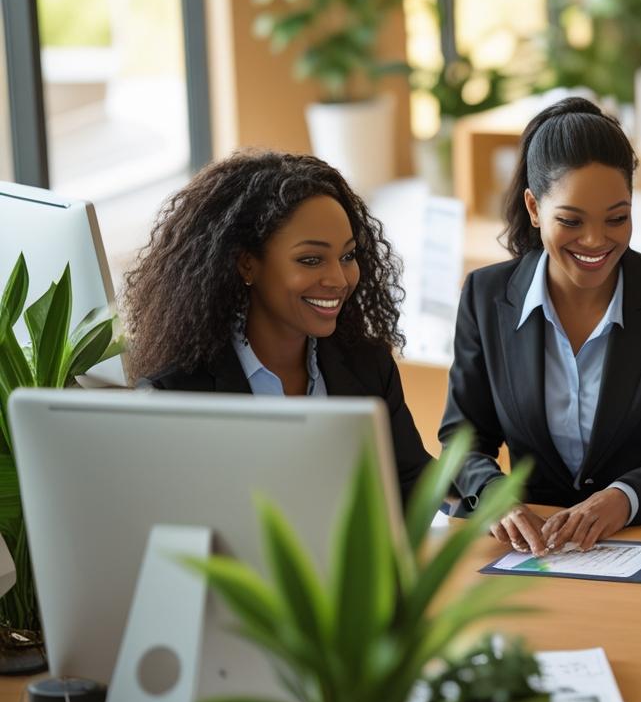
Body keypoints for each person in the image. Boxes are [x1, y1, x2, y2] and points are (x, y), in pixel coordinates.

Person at [442, 98, 641, 554]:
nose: (596, 241)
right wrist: (495, 496)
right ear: (534, 209)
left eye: (617, 218)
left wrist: (625, 497)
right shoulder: (485, 296)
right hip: (523, 547)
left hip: (632, 541)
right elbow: (463, 439)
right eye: (571, 221)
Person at [126, 150, 433, 502]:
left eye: (347, 256)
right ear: (246, 265)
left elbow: (413, 480)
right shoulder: (175, 394)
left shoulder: (368, 365)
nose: (338, 279)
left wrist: (485, 501)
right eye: (311, 260)